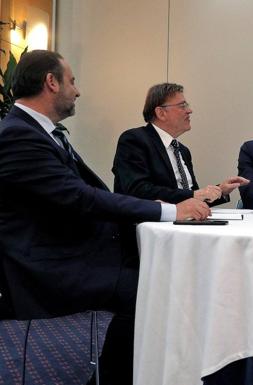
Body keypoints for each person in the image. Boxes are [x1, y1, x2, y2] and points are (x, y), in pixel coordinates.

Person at [0, 50, 209, 385]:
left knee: (160, 275)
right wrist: (169, 209)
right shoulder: (18, 134)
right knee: (150, 288)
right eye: (72, 81)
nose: (77, 91)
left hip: (75, 247)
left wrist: (159, 206)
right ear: (50, 82)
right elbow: (80, 197)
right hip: (51, 263)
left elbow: (85, 194)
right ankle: (121, 375)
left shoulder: (39, 131)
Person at [112, 83, 248, 205]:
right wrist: (195, 195)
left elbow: (193, 199)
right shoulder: (134, 140)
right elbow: (138, 190)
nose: (190, 110)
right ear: (161, 113)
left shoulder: (182, 151)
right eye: (183, 106)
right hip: (148, 226)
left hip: (184, 223)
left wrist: (220, 191)